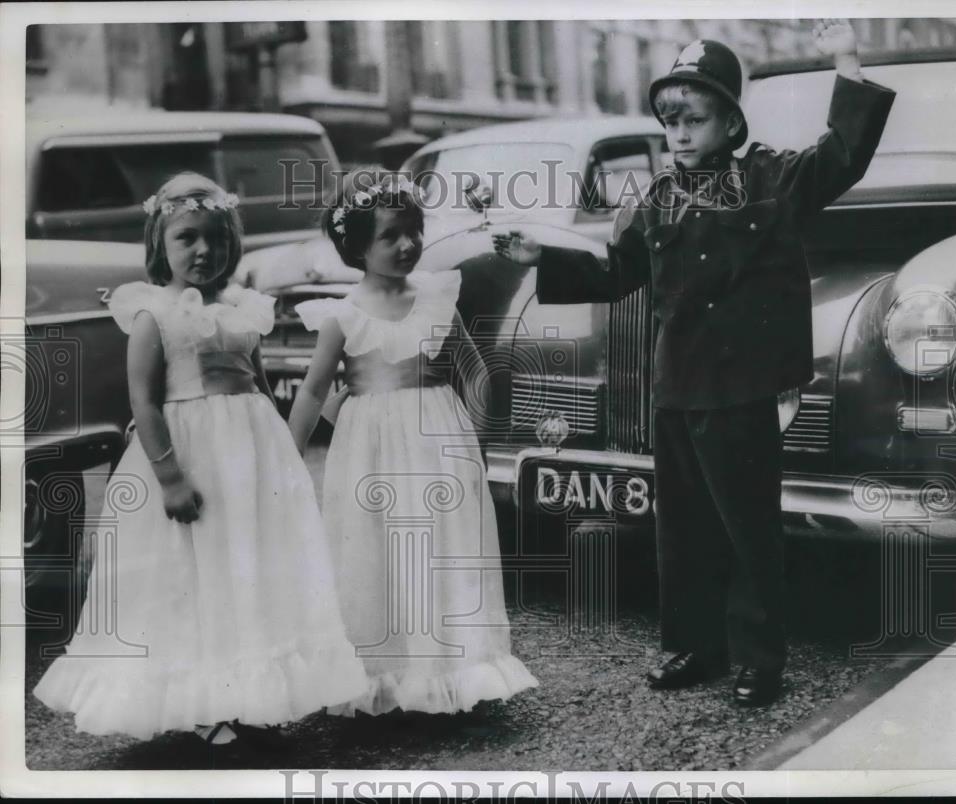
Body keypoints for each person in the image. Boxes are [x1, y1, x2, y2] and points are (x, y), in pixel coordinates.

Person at [493, 20, 895, 706]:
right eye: (670, 120)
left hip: (741, 391)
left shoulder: (770, 177)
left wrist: (847, 62)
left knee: (748, 531)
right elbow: (619, 271)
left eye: (695, 118)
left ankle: (758, 661)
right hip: (675, 386)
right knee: (681, 531)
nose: (679, 133)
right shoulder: (656, 197)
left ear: (731, 121)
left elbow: (841, 158)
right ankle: (696, 649)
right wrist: (541, 259)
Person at [33, 172, 368, 745]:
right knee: (194, 573)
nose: (203, 250)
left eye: (215, 237)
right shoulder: (152, 315)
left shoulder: (247, 310)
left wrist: (282, 458)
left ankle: (247, 694)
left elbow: (260, 385)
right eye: (187, 237)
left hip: (249, 454)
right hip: (189, 455)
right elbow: (143, 399)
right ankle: (203, 701)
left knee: (246, 567)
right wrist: (169, 477)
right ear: (160, 245)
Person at [287, 168, 538, 716]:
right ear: (355, 247)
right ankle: (386, 677)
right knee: (376, 553)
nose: (407, 245)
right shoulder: (344, 315)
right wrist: (289, 453)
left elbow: (475, 371)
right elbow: (312, 390)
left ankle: (452, 671)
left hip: (436, 438)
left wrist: (477, 436)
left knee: (442, 549)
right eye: (389, 236)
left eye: (413, 231)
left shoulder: (436, 296)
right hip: (371, 448)